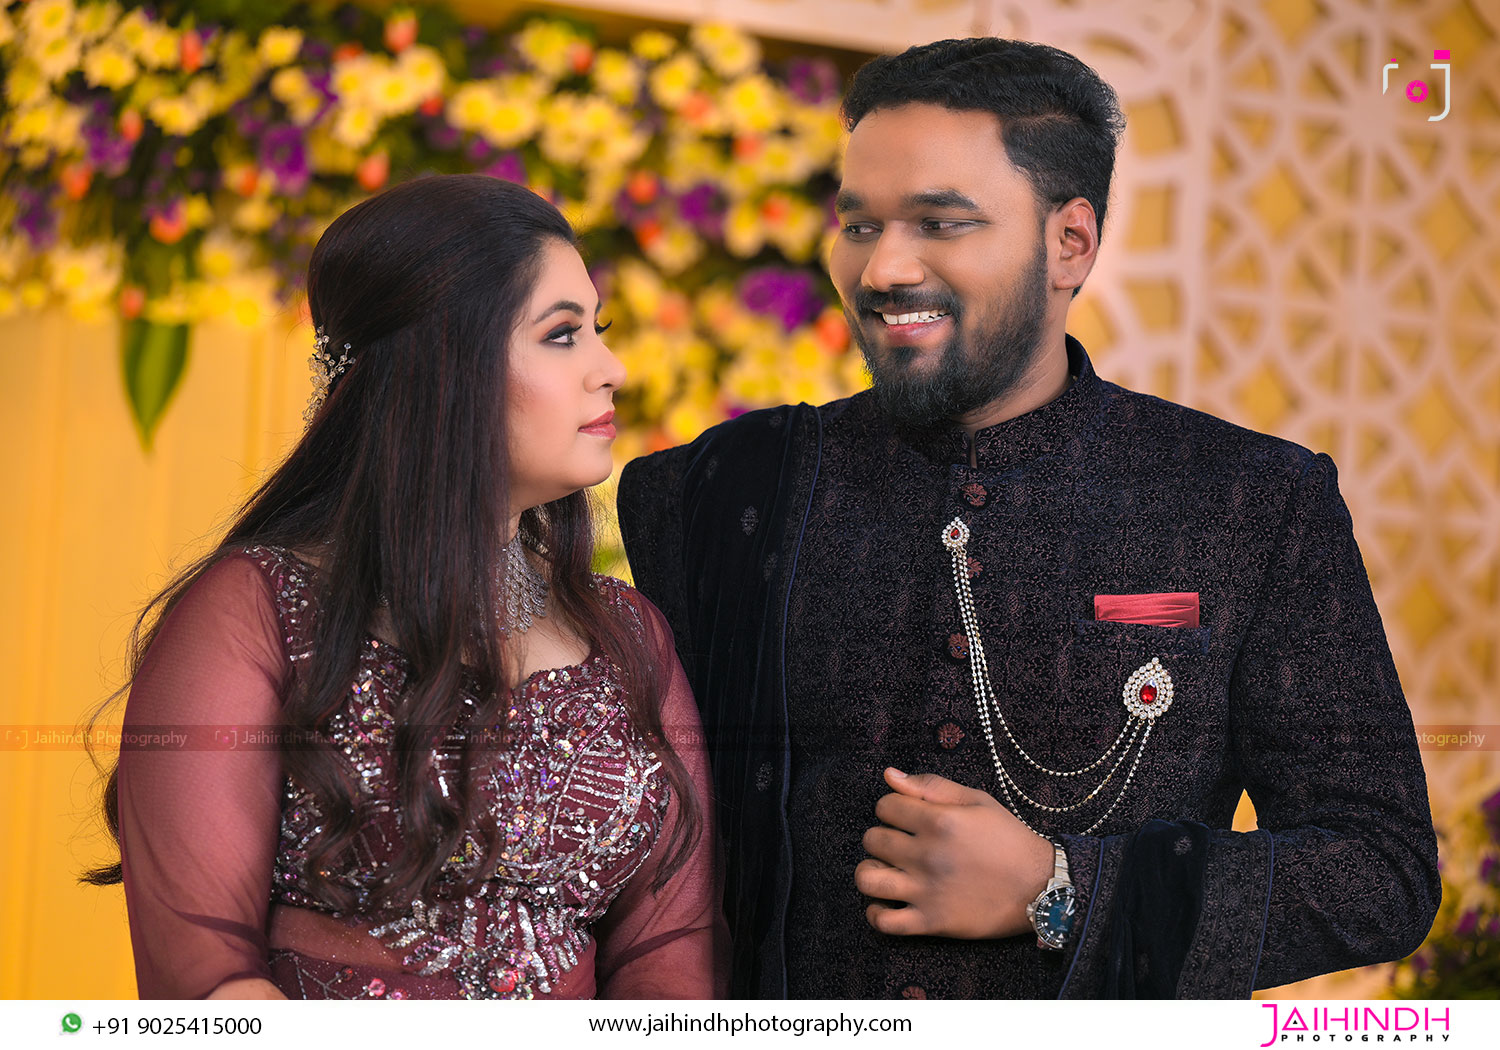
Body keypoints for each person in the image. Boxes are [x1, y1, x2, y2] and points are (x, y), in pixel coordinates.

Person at [617, 38, 1439, 998]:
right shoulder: (719, 494)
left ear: (1070, 243)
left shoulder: (1249, 502)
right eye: (860, 223)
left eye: (941, 222)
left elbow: (1379, 872)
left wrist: (1062, 890)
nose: (883, 267)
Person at [84, 174, 726, 1000]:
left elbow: (671, 952)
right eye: (563, 335)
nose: (613, 369)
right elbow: (205, 983)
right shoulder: (257, 612)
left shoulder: (627, 636)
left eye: (596, 331)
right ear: (441, 367)